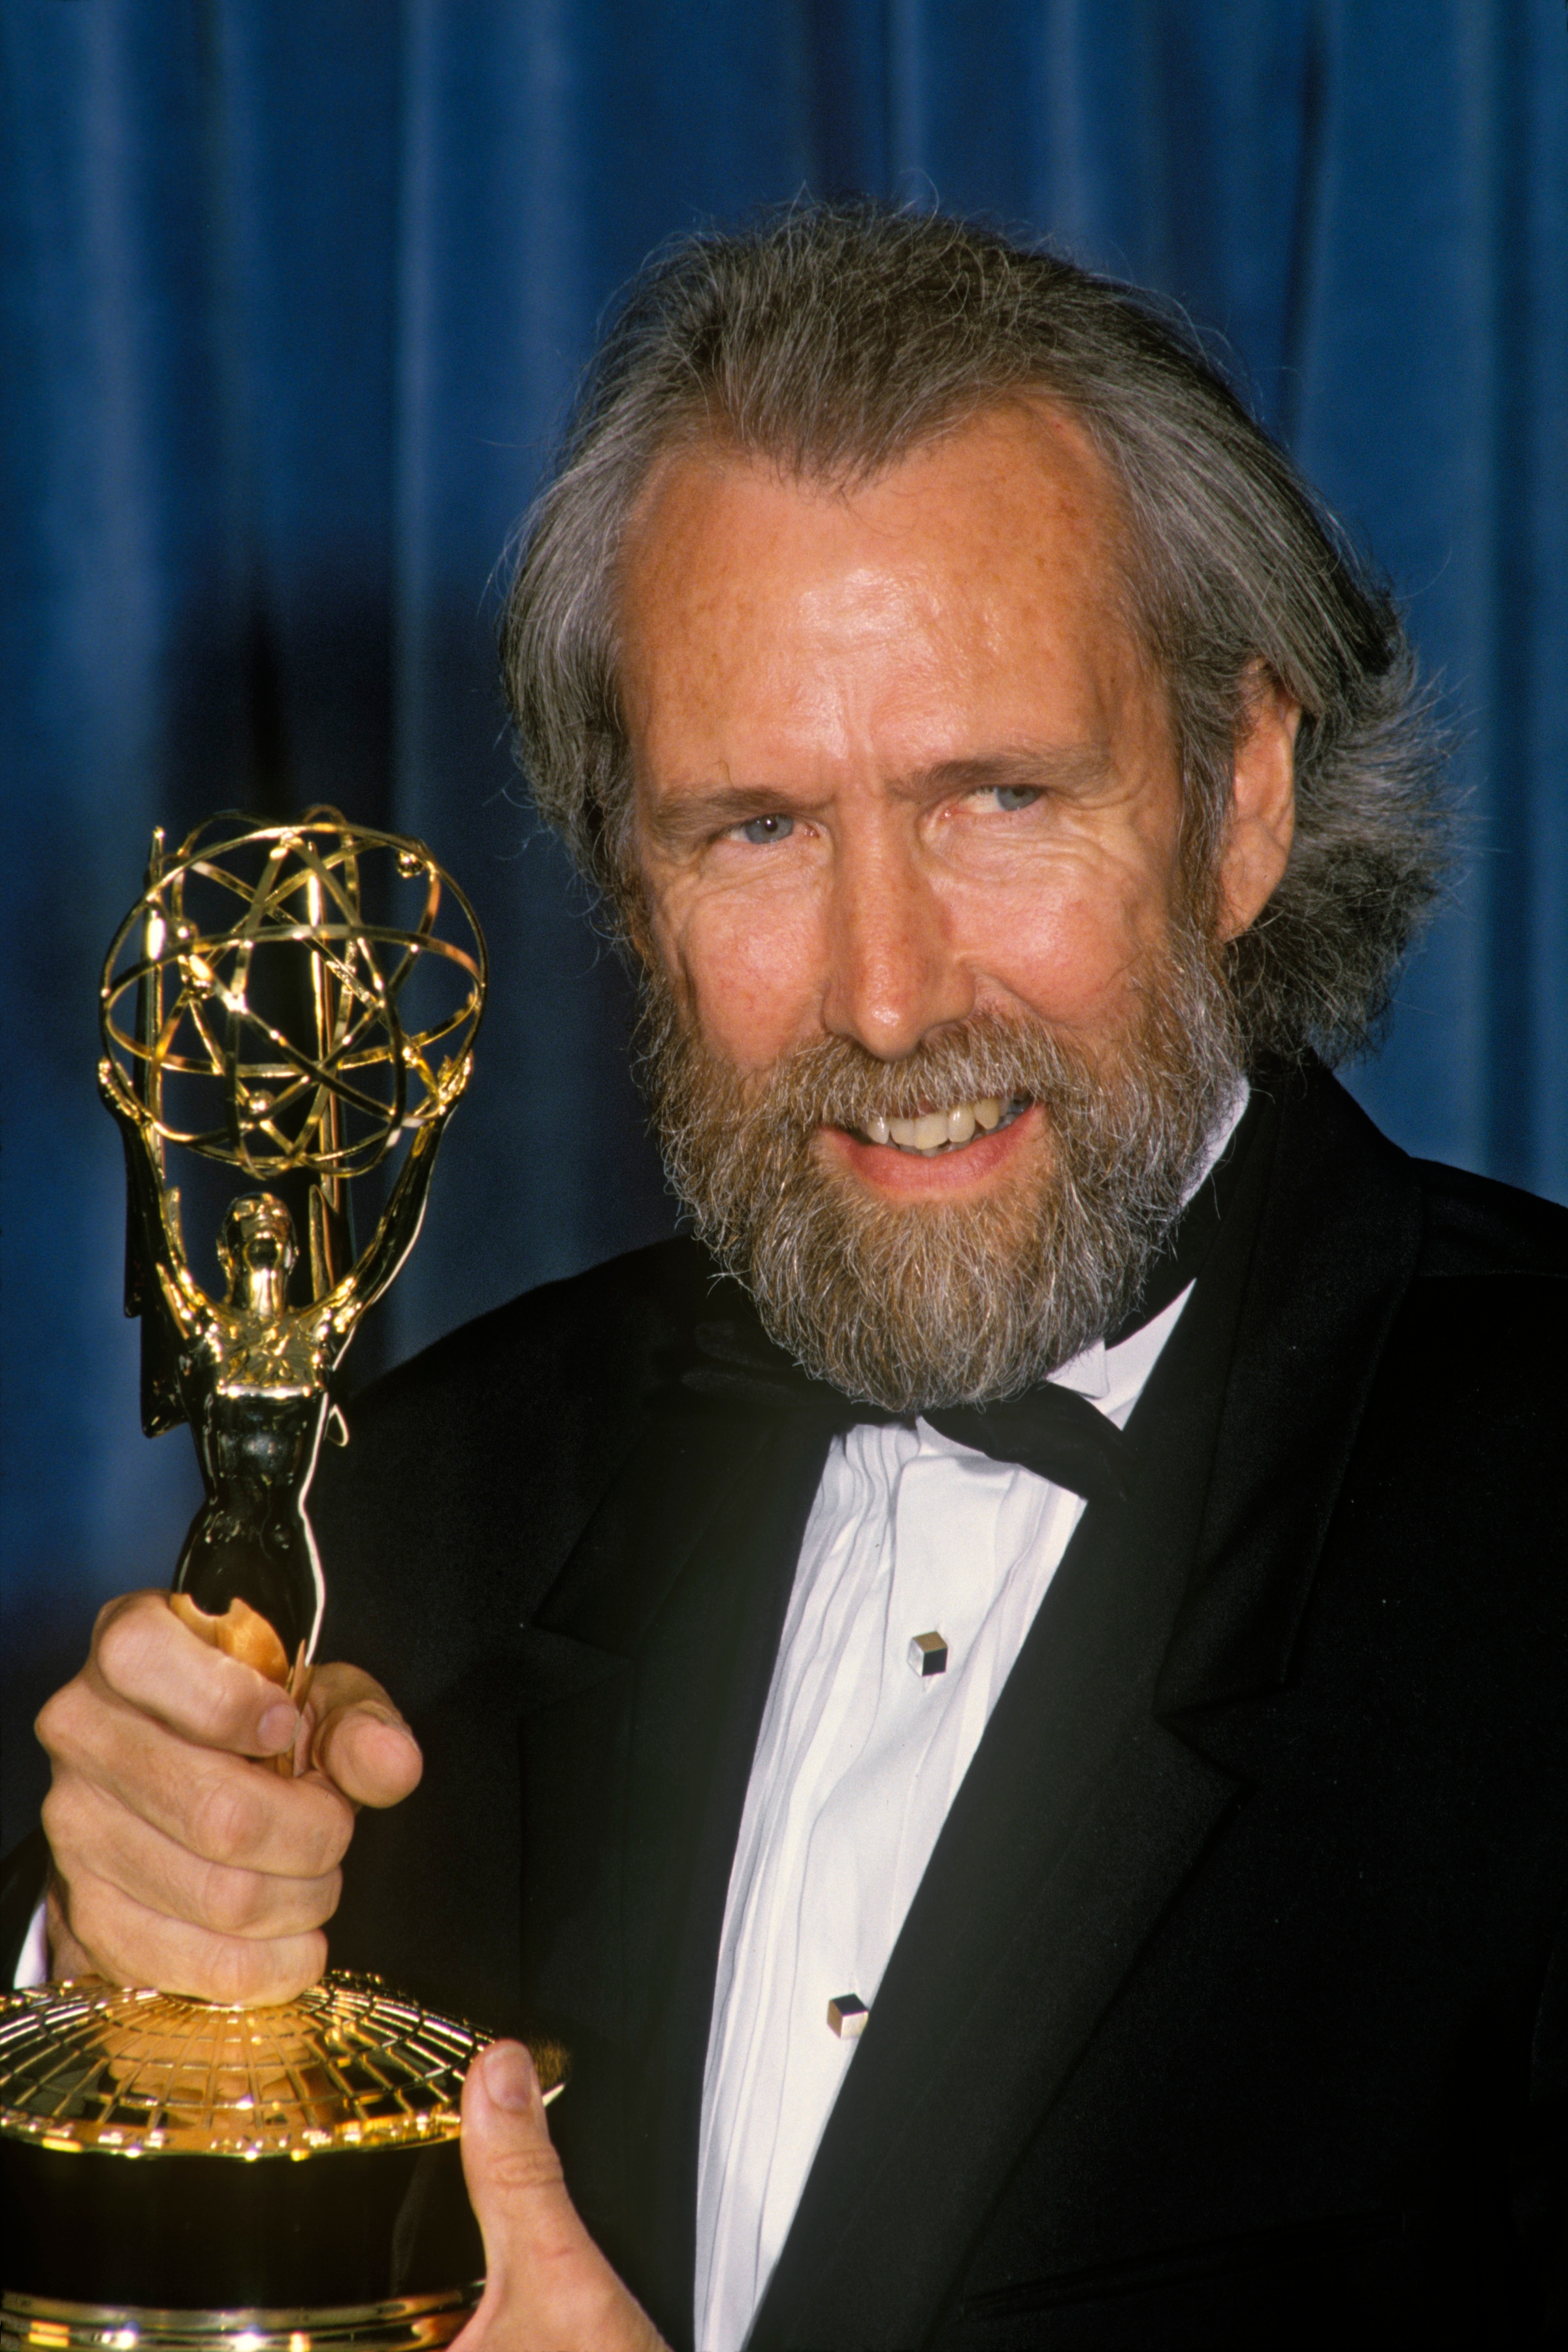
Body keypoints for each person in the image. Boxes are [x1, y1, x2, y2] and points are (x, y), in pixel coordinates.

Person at [9, 206, 1566, 2349]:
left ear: (1243, 802)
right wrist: (130, 1991)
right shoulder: (432, 1506)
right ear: (627, 881)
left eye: (997, 798)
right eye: (755, 828)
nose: (889, 995)